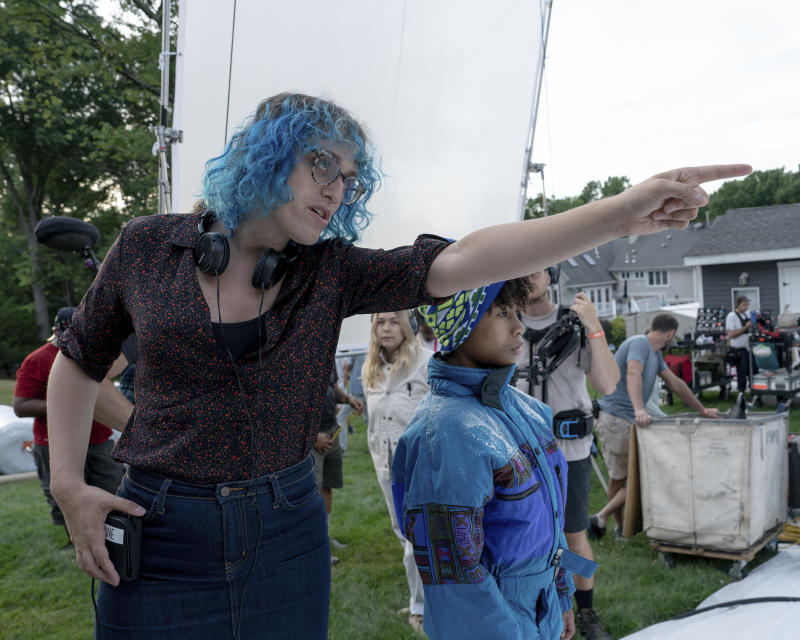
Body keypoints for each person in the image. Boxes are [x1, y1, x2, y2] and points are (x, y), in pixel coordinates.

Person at [45, 90, 748, 639]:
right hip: (162, 530)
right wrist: (72, 487)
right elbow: (75, 364)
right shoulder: (145, 248)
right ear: (266, 154)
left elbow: (466, 259)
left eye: (349, 178)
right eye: (322, 165)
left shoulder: (333, 272)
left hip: (286, 530)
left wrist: (621, 214)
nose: (337, 190)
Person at [392, 278, 596, 640]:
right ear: (459, 326)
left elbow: (551, 522)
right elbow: (456, 578)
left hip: (543, 608)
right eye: (501, 313)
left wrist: (562, 595)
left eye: (516, 311)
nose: (519, 326)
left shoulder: (530, 410)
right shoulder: (444, 434)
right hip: (500, 623)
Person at [516, 270, 619, 640]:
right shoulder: (502, 321)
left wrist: (594, 326)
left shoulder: (574, 324)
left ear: (551, 274)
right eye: (521, 266)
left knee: (573, 535)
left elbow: (606, 384)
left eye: (537, 267)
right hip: (518, 453)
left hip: (568, 453)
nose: (528, 275)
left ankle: (586, 609)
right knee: (523, 535)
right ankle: (533, 606)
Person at [589, 314, 721, 540]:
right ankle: (613, 523)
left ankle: (610, 523)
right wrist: (640, 409)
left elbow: (675, 383)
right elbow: (633, 372)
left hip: (622, 420)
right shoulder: (639, 343)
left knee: (622, 477)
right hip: (616, 419)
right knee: (641, 476)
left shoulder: (655, 354)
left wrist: (703, 410)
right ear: (670, 333)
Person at [13, 307, 126, 535]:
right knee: (69, 499)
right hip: (54, 441)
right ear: (57, 330)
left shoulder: (96, 352)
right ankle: (76, 540)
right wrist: (67, 402)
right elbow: (20, 405)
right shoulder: (36, 360)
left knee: (115, 488)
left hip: (98, 438)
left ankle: (118, 538)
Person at [361, 309, 431, 633]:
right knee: (404, 533)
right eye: (380, 322)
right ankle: (422, 596)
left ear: (406, 325)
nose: (386, 328)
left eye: (392, 321)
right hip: (385, 465)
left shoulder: (425, 362)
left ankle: (421, 608)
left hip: (419, 464)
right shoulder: (370, 370)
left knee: (415, 540)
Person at [312, 369, 362, 565]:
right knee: (311, 494)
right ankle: (314, 546)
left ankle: (324, 537)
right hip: (313, 437)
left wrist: (348, 399)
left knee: (326, 487)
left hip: (331, 430)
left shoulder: (326, 345)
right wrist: (312, 437)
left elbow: (331, 385)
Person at [726, 296, 754, 394]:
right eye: (744, 304)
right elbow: (731, 334)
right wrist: (745, 327)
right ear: (737, 304)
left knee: (753, 371)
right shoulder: (731, 316)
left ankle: (754, 392)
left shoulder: (746, 314)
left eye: (747, 304)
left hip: (748, 349)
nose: (746, 307)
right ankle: (741, 395)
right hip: (738, 350)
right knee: (741, 373)